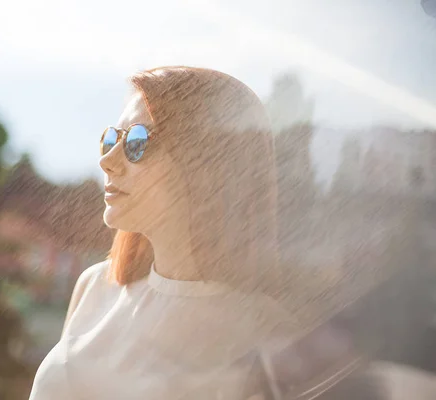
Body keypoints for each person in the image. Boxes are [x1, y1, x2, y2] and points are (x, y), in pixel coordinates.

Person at [28, 66, 307, 399]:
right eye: (110, 140)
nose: (108, 161)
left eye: (137, 142)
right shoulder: (95, 288)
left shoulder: (271, 337)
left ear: (205, 162)